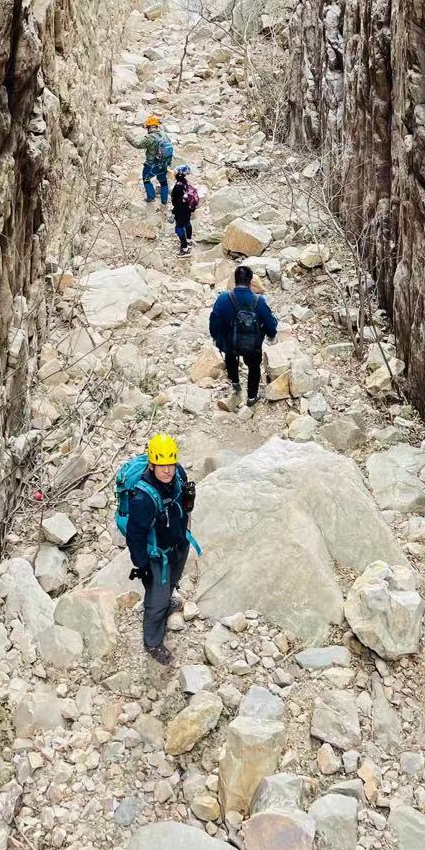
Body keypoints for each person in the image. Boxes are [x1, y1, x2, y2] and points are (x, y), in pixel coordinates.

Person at [124, 434, 196, 663]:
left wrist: (189, 501)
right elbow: (135, 537)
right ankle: (152, 642)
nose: (167, 470)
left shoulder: (179, 474)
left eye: (171, 464)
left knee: (173, 582)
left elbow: (183, 505)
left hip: (178, 543)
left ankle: (167, 599)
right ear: (152, 464)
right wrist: (142, 566)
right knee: (156, 601)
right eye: (162, 465)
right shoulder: (142, 499)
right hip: (158, 557)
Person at [209, 265, 278, 406]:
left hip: (230, 343)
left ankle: (235, 382)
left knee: (230, 358)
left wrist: (216, 337)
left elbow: (214, 319)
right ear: (250, 280)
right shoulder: (259, 301)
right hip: (252, 345)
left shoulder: (223, 299)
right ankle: (252, 397)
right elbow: (270, 324)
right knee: (254, 367)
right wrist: (271, 334)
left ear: (235, 280)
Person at [124, 114, 173, 205]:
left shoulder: (150, 137)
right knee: (163, 182)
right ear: (156, 126)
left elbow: (137, 144)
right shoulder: (164, 135)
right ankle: (164, 201)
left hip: (152, 164)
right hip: (164, 164)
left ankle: (151, 197)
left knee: (146, 179)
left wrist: (127, 136)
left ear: (148, 127)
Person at [170, 164, 197, 254]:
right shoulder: (185, 182)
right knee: (187, 223)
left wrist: (174, 212)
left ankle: (184, 248)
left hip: (180, 211)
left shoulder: (178, 186)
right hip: (187, 209)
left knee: (179, 228)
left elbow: (177, 203)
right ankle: (189, 241)